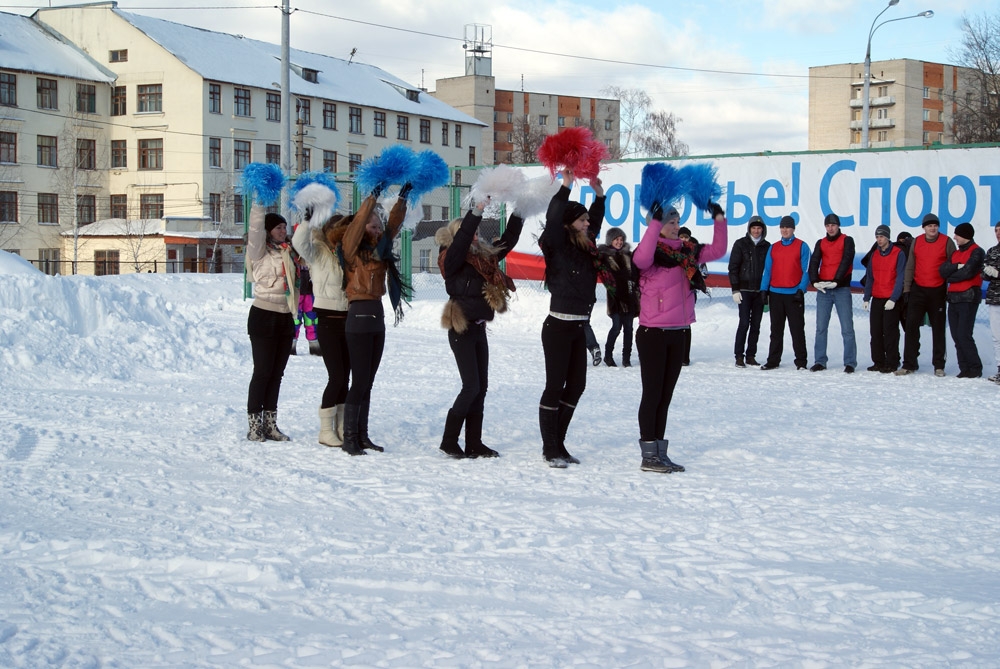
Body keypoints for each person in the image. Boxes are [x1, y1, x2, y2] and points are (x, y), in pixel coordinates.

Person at [632, 201, 728, 473]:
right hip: (653, 332)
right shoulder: (649, 252)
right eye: (670, 222)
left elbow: (718, 250)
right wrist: (654, 222)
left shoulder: (687, 251)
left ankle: (660, 453)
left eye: (677, 222)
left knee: (665, 395)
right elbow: (640, 260)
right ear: (657, 225)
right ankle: (648, 454)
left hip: (679, 331)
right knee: (652, 394)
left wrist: (719, 218)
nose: (676, 226)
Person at [436, 198, 523, 459]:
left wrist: (521, 211)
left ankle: (474, 443)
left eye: (477, 232)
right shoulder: (451, 259)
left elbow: (507, 240)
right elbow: (462, 241)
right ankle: (449, 441)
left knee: (481, 387)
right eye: (470, 233)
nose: (475, 236)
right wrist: (477, 211)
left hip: (479, 328)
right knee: (471, 386)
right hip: (460, 328)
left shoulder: (483, 258)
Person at [537, 168, 606, 468]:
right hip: (558, 326)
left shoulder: (585, 244)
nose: (588, 224)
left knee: (576, 386)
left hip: (579, 325)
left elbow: (596, 220)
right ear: (569, 223)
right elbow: (554, 217)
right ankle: (549, 448)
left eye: (587, 221)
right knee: (555, 386)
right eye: (582, 220)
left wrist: (599, 195)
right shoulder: (557, 243)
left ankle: (560, 443)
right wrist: (565, 185)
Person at [336, 189, 409, 455]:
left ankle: (362, 435)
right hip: (358, 317)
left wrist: (402, 200)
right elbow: (356, 226)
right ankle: (349, 438)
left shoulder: (381, 250)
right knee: (359, 381)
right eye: (372, 226)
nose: (377, 230)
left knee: (368, 381)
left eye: (378, 226)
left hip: (377, 317)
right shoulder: (351, 251)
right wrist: (371, 200)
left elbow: (392, 227)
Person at [292, 212, 351, 450]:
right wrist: (307, 221)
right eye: (340, 229)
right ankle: (326, 430)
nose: (343, 234)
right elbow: (299, 243)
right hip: (327, 319)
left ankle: (341, 427)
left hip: (349, 317)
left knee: (345, 376)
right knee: (336, 375)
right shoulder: (317, 251)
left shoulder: (348, 252)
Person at [245, 206, 298, 442]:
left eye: (285, 227)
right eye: (278, 227)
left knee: (277, 374)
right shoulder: (258, 250)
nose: (283, 230)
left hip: (285, 316)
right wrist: (260, 201)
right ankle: (254, 426)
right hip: (263, 316)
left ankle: (270, 424)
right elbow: (255, 229)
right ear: (268, 230)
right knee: (263, 372)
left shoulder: (289, 251)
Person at [897, 213, 956, 377]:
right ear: (924, 228)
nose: (933, 228)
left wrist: (949, 288)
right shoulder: (917, 241)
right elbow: (910, 266)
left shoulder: (947, 242)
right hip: (918, 290)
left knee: (938, 328)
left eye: (935, 225)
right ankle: (909, 364)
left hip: (937, 291)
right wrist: (907, 289)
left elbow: (954, 265)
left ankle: (939, 365)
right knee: (911, 326)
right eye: (929, 226)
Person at [808, 213, 858, 373]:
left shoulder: (847, 240)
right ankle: (820, 361)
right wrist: (814, 280)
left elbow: (846, 260)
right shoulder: (821, 242)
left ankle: (850, 362)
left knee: (847, 327)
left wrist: (837, 280)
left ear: (838, 226)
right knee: (821, 327)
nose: (830, 228)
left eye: (833, 225)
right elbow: (814, 261)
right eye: (828, 225)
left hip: (841, 288)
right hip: (824, 289)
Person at [760, 216, 811, 371]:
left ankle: (801, 361)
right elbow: (767, 270)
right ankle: (773, 360)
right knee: (776, 330)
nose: (785, 230)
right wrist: (764, 289)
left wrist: (801, 289)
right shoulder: (774, 247)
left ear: (793, 229)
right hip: (776, 293)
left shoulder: (802, 246)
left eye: (788, 227)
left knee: (797, 329)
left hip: (794, 294)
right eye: (782, 227)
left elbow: (806, 270)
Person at [940, 222, 985, 378]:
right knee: (956, 335)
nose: (954, 237)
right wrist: (956, 267)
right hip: (953, 298)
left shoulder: (977, 251)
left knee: (964, 334)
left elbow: (968, 272)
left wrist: (951, 276)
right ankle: (964, 368)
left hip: (968, 297)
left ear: (965, 235)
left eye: (957, 234)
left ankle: (975, 368)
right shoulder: (956, 253)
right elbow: (942, 270)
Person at [862, 225, 905, 373]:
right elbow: (870, 277)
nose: (879, 240)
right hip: (877, 297)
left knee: (890, 331)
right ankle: (878, 361)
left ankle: (892, 361)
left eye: (881, 236)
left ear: (887, 237)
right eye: (877, 237)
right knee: (875, 331)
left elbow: (900, 278)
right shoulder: (874, 254)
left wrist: (894, 298)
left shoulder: (898, 253)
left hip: (891, 299)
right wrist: (866, 297)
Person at [728, 214, 770, 367]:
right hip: (744, 290)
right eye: (754, 228)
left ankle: (751, 355)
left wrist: (767, 291)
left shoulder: (767, 247)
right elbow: (733, 268)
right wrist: (735, 289)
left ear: (763, 230)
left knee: (756, 325)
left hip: (759, 291)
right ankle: (739, 355)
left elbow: (770, 270)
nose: (756, 231)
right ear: (749, 229)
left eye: (759, 228)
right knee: (744, 323)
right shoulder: (740, 244)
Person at [598, 227, 640, 367]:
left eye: (621, 239)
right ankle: (608, 356)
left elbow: (634, 274)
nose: (619, 242)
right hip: (615, 299)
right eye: (616, 239)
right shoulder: (604, 257)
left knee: (629, 329)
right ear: (610, 240)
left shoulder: (629, 256)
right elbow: (608, 276)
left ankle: (626, 358)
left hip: (629, 297)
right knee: (616, 327)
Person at [290, 261, 321, 356]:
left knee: (312, 319)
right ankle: (291, 346)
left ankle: (315, 346)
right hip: (296, 290)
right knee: (295, 319)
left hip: (311, 290)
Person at [983, 221, 1000, 384]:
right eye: (996, 231)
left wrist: (998, 273)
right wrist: (987, 273)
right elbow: (985, 275)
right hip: (995, 298)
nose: (998, 233)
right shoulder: (992, 251)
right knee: (997, 337)